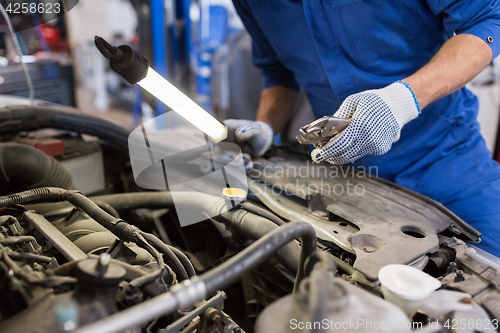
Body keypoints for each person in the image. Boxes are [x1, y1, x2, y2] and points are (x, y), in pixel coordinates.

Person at [224, 0, 500, 256]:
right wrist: (264, 126)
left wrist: (402, 100)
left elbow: (489, 19)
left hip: (445, 158)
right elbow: (278, 72)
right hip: (347, 173)